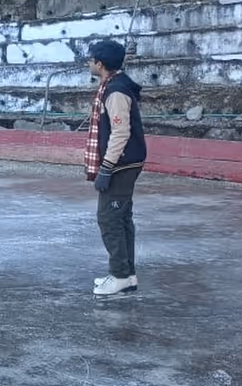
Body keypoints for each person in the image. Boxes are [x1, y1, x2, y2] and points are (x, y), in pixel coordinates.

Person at [85, 40, 147, 297]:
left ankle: (120, 275)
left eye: (91, 59)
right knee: (121, 217)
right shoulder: (112, 87)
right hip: (125, 161)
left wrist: (106, 168)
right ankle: (127, 275)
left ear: (100, 64)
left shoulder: (116, 92)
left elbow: (121, 132)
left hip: (121, 163)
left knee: (109, 218)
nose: (88, 63)